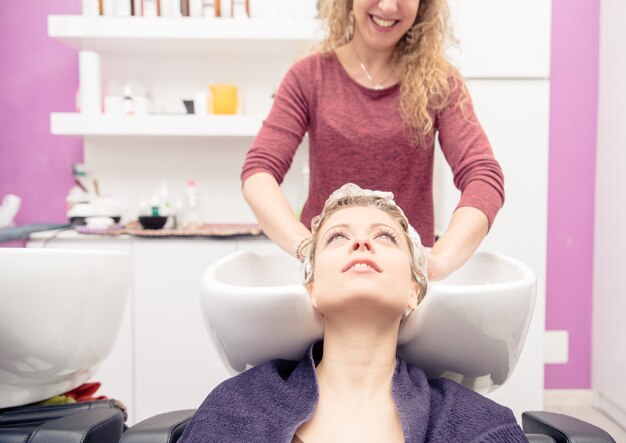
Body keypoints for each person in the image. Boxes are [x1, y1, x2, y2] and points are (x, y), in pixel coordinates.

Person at [178, 184, 527, 442]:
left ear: (413, 291)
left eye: (386, 237)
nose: (362, 243)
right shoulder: (239, 407)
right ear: (312, 289)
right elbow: (257, 173)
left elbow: (485, 178)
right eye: (337, 238)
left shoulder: (477, 425)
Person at [241, 0, 505, 281]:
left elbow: (483, 177)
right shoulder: (309, 76)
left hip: (404, 287)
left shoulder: (440, 82)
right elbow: (259, 172)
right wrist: (308, 248)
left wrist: (438, 261)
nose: (389, 7)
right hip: (327, 281)